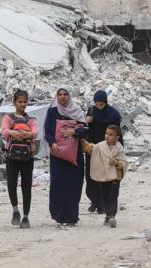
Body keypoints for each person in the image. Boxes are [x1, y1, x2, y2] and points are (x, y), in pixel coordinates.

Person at [44, 87, 88, 226]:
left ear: (69, 96)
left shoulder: (77, 111)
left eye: (65, 94)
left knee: (73, 185)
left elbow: (86, 130)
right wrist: (52, 143)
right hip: (57, 155)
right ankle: (58, 216)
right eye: (60, 94)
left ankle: (71, 217)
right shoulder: (52, 111)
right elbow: (48, 131)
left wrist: (73, 132)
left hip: (74, 155)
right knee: (57, 184)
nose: (62, 97)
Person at [0, 89, 38, 229]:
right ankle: (15, 210)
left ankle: (26, 216)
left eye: (25, 102)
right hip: (12, 157)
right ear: (14, 102)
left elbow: (35, 132)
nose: (23, 104)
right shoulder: (8, 118)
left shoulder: (31, 119)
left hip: (27, 157)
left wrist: (25, 135)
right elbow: (4, 130)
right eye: (20, 102)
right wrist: (13, 132)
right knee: (11, 184)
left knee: (26, 187)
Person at [80, 124, 128, 228]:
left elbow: (124, 162)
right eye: (106, 133)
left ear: (117, 137)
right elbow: (90, 148)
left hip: (115, 176)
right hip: (103, 176)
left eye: (111, 134)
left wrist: (117, 162)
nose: (107, 136)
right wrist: (83, 141)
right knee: (105, 196)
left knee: (113, 196)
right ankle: (108, 215)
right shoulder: (100, 146)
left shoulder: (119, 148)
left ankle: (112, 215)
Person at [85, 90, 122, 214]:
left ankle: (103, 204)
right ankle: (94, 201)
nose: (99, 106)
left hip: (107, 150)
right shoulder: (91, 112)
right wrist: (87, 121)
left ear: (105, 102)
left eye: (101, 103)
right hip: (93, 149)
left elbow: (117, 134)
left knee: (105, 177)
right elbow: (86, 130)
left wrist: (117, 151)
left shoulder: (113, 115)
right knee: (91, 176)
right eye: (97, 103)